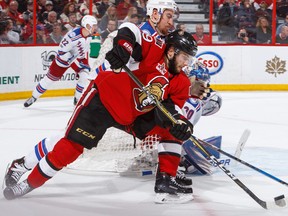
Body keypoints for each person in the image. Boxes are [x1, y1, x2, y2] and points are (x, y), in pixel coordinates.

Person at [3, 26, 197, 203]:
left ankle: (165, 181)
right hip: (103, 101)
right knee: (70, 147)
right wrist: (123, 48)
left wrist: (179, 122)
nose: (187, 64)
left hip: (131, 117)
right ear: (172, 52)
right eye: (185, 58)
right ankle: (28, 181)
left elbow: (173, 109)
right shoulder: (154, 49)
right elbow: (130, 30)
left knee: (171, 129)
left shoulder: (182, 82)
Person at [23, 15, 98, 107]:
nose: (95, 27)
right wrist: (70, 59)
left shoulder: (90, 36)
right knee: (49, 79)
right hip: (65, 58)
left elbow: (84, 51)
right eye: (94, 25)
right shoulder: (72, 36)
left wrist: (82, 61)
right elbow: (61, 51)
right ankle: (34, 97)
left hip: (78, 57)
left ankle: (77, 100)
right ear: (87, 25)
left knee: (84, 74)